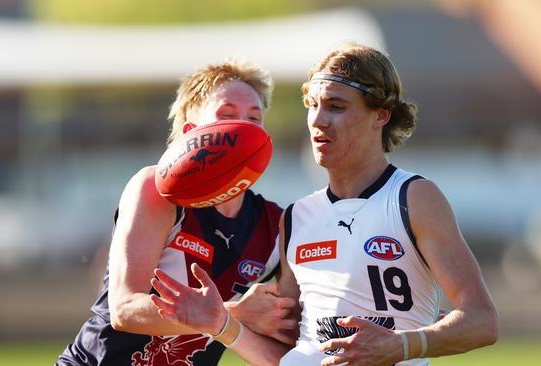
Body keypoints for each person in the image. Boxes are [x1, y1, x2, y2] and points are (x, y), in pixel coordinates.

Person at [149, 43, 499, 366]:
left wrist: (401, 345)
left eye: (336, 107)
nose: (317, 120)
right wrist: (222, 324)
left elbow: (482, 321)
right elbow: (286, 348)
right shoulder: (297, 216)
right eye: (312, 106)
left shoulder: (413, 198)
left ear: (381, 115)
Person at [57, 58, 297, 366]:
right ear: (191, 133)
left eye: (254, 118)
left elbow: (285, 350)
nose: (243, 128)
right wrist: (235, 313)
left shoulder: (279, 225)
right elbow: (125, 309)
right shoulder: (156, 192)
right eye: (227, 115)